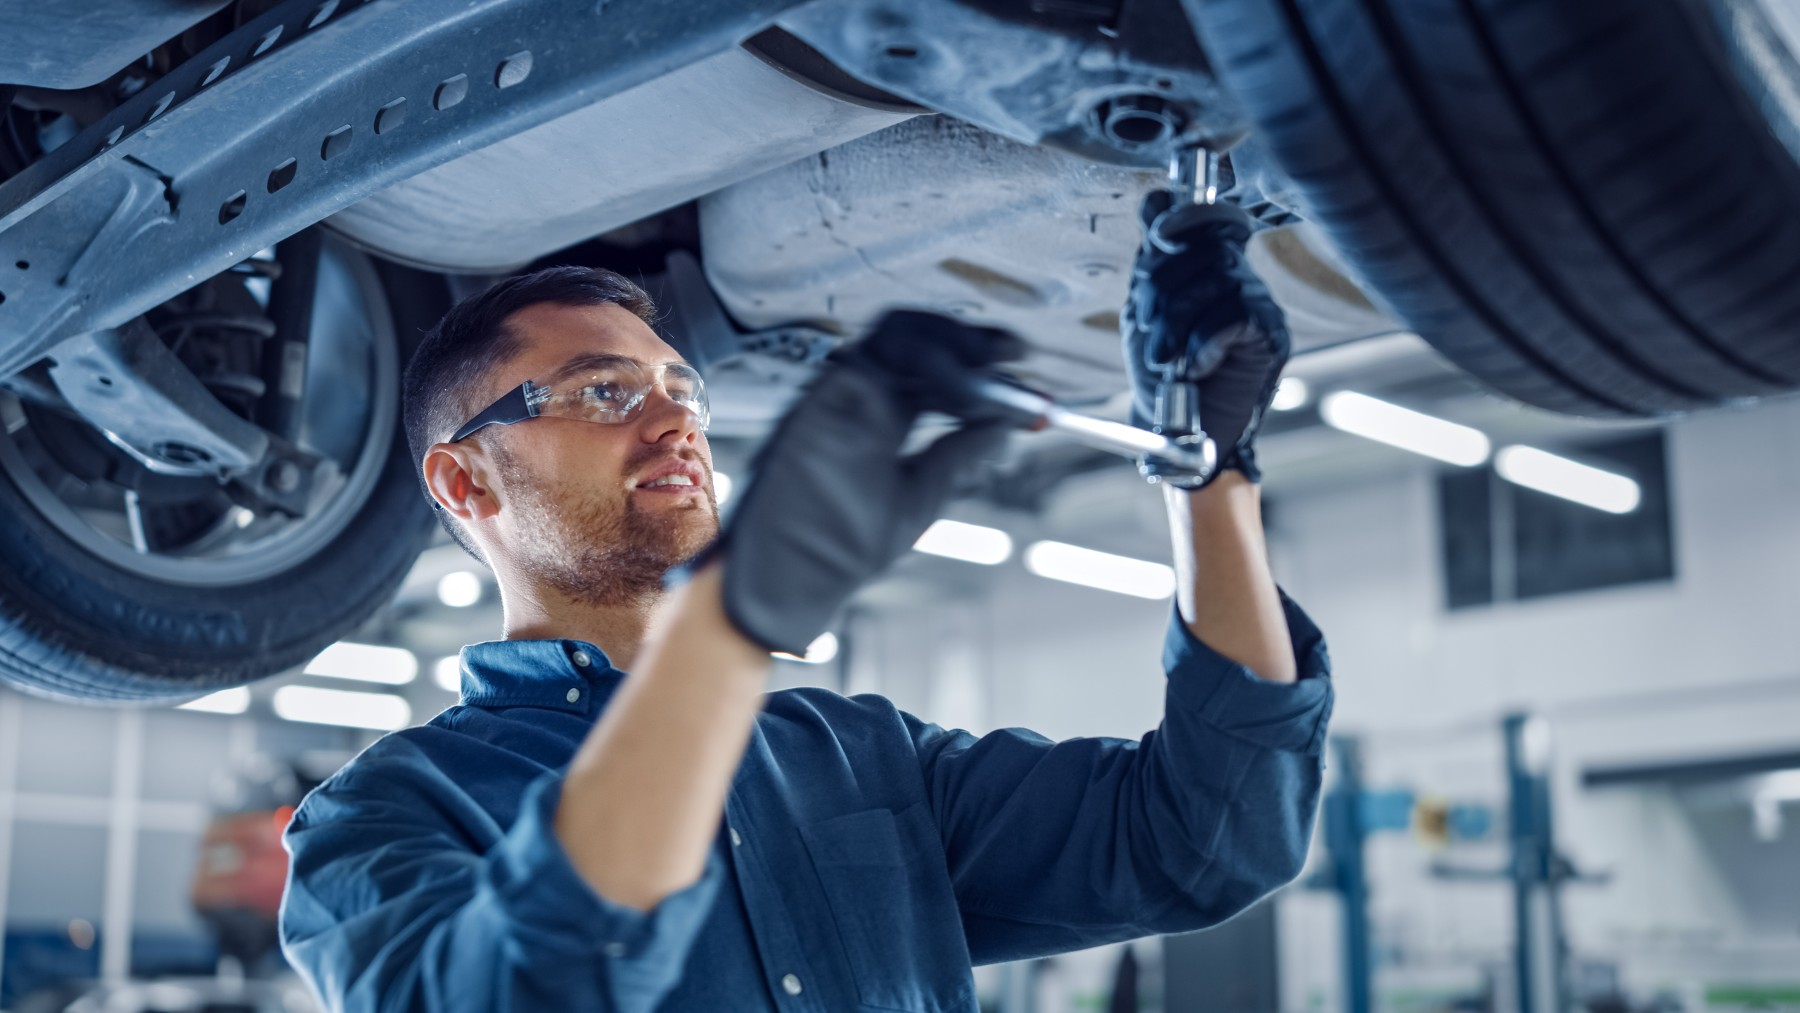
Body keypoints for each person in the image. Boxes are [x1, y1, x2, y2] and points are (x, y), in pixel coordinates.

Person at [278, 192, 1334, 1012]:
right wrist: (727, 626)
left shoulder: (862, 757)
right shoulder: (379, 818)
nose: (674, 422)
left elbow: (1210, 836)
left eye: (683, 391)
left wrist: (1211, 472)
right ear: (464, 481)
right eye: (605, 391)